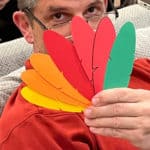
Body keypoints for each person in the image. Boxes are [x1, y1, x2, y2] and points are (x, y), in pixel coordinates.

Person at [0, 0, 149, 149]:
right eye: (58, 16)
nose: (83, 31)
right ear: (27, 26)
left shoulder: (141, 68)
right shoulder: (30, 129)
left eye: (91, 10)